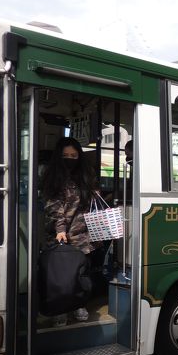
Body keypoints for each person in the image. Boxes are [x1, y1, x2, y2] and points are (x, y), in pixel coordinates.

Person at [41, 137, 100, 326]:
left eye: (74, 155)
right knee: (61, 274)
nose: (70, 158)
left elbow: (91, 202)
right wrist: (60, 229)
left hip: (83, 234)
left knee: (81, 273)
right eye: (65, 155)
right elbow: (53, 206)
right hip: (61, 235)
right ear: (59, 156)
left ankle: (78, 304)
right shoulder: (52, 177)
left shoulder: (86, 176)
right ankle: (61, 308)